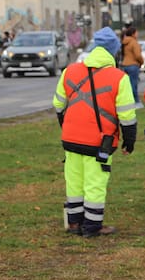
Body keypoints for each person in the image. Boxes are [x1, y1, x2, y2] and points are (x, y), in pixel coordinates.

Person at [52, 27, 137, 237]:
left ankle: (74, 224)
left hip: (71, 138)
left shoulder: (70, 71)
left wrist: (68, 126)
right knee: (95, 183)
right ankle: (92, 226)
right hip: (99, 141)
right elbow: (126, 115)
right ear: (114, 51)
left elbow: (58, 104)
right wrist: (130, 140)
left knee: (74, 181)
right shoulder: (119, 77)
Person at [120, 26, 144, 103]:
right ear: (133, 34)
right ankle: (136, 101)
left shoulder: (124, 42)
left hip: (125, 64)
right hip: (133, 65)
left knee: (127, 84)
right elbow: (138, 55)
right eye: (136, 32)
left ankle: (128, 100)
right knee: (134, 84)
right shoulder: (134, 42)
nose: (138, 34)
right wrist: (141, 62)